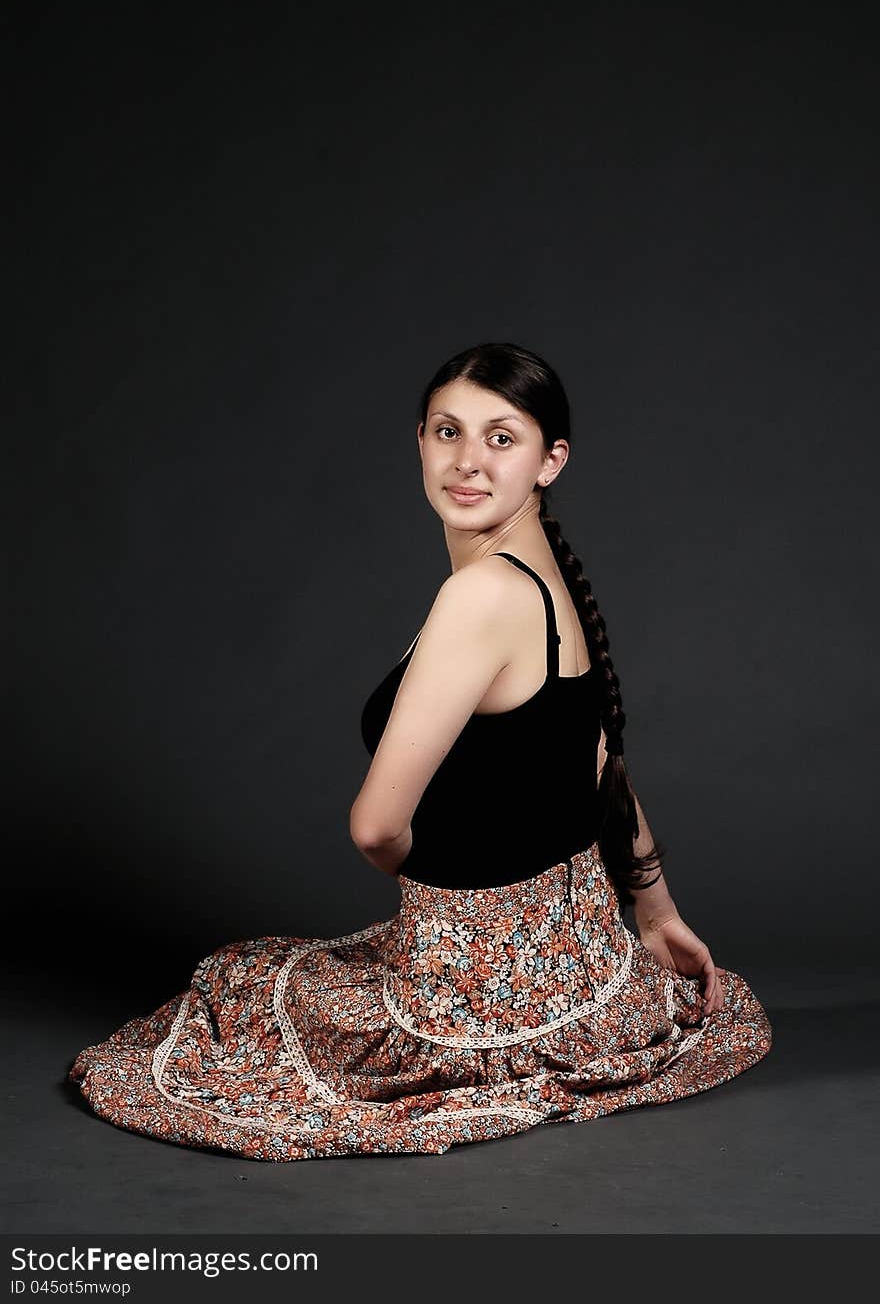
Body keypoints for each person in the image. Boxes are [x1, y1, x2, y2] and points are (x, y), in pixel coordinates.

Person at [66, 342, 772, 1159]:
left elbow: (376, 827)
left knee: (237, 984)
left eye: (501, 438)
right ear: (420, 442)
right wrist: (655, 910)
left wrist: (436, 891)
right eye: (447, 432)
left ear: (552, 460)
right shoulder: (544, 576)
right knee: (258, 978)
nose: (468, 462)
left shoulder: (481, 593)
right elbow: (598, 759)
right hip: (597, 979)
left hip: (473, 1007)